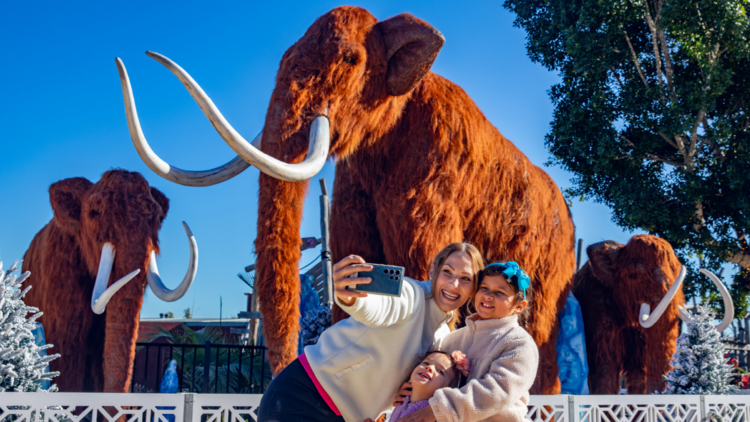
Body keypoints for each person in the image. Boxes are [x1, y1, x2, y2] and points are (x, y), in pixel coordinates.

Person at [256, 243, 485, 422]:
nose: (454, 284)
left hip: (344, 417)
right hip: (301, 395)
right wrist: (352, 299)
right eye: (448, 272)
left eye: (465, 279)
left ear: (473, 289)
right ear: (434, 271)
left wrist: (396, 396)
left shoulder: (442, 335)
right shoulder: (412, 295)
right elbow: (380, 308)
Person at [395, 261, 539, 422]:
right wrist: (411, 390)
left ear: (519, 306)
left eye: (500, 292)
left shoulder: (519, 344)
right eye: (484, 288)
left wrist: (438, 409)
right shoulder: (452, 340)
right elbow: (433, 377)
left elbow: (498, 391)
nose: (488, 295)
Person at [388, 351, 470, 422]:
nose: (429, 367)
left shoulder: (432, 416)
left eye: (440, 371)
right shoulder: (403, 401)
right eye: (426, 363)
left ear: (447, 390)